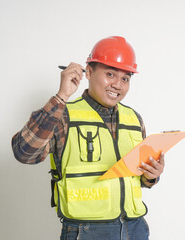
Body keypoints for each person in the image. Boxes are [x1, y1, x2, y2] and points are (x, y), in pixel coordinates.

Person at [11, 36, 165, 240]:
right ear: (89, 72)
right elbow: (24, 152)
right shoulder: (64, 115)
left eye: (125, 78)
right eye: (110, 74)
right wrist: (61, 96)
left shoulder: (134, 119)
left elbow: (138, 179)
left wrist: (152, 175)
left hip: (135, 228)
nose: (118, 85)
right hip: (86, 231)